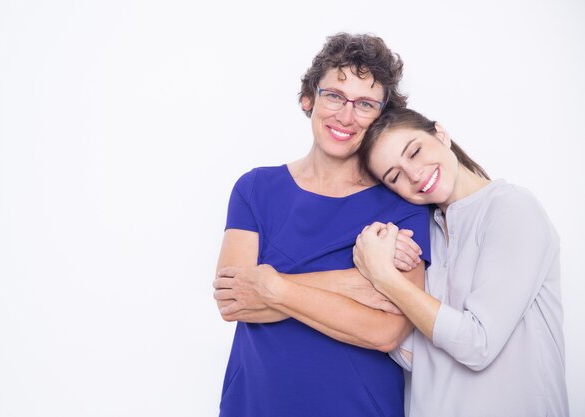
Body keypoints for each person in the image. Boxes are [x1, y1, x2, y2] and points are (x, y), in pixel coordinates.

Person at [212, 33, 431, 417]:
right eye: (334, 96)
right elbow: (234, 301)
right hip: (256, 404)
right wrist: (352, 282)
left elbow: (385, 332)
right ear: (308, 98)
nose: (346, 116)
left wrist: (272, 285)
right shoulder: (255, 189)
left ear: (381, 117)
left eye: (365, 104)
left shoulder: (402, 204)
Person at [353, 108, 569, 417]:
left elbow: (477, 344)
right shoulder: (425, 236)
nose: (414, 175)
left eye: (414, 151)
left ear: (440, 133)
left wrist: (384, 276)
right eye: (395, 176)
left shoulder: (512, 208)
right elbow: (419, 356)